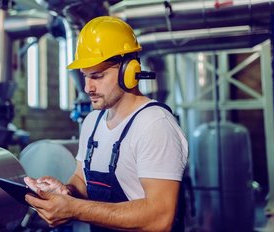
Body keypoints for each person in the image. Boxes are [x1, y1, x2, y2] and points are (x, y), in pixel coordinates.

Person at [24, 16, 188, 232]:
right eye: (85, 76)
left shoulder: (154, 125)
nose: (87, 88)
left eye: (97, 76)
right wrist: (66, 192)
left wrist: (74, 209)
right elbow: (82, 180)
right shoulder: (93, 121)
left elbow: (160, 218)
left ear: (128, 71)